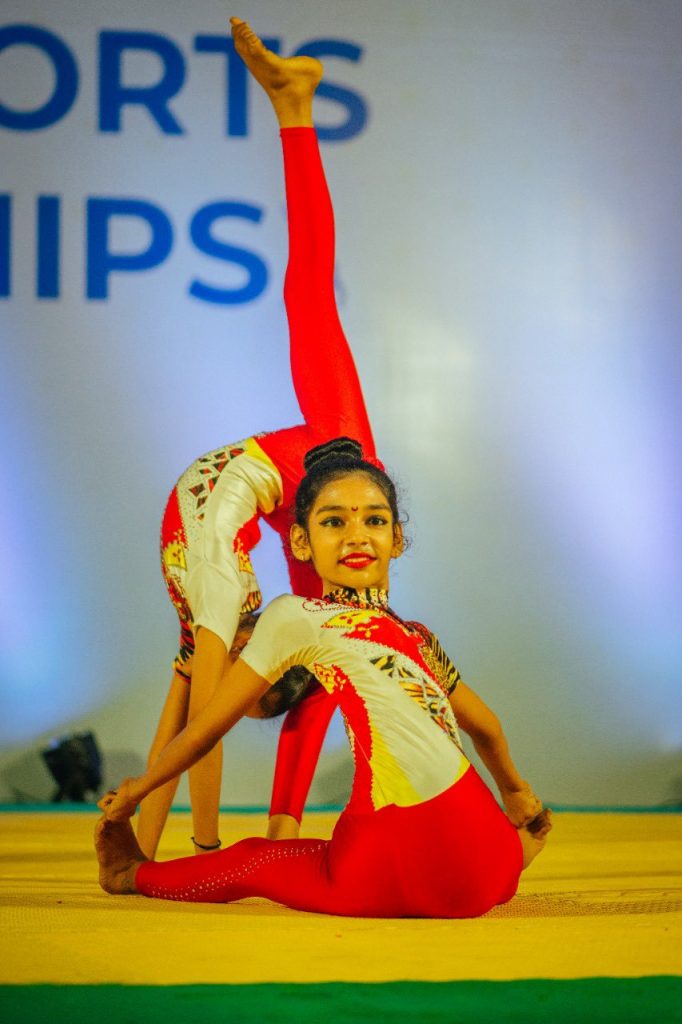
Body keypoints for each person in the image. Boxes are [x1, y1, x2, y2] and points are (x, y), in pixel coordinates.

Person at [95, 434, 552, 919]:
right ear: (300, 541)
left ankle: (129, 874)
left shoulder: (296, 616)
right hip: (486, 870)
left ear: (396, 538)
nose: (356, 536)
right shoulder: (419, 638)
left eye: (373, 520)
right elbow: (487, 728)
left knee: (257, 861)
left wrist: (136, 791)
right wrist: (516, 793)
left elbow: (206, 732)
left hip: (386, 865)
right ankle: (511, 852)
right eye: (334, 521)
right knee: (475, 830)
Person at [138, 17, 369, 858]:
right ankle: (295, 110)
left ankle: (294, 106)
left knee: (306, 294)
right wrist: (216, 843)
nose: (240, 672)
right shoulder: (247, 605)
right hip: (335, 465)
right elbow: (209, 715)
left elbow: (190, 720)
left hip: (296, 481)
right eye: (254, 682)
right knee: (308, 293)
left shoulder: (218, 602)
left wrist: (145, 839)